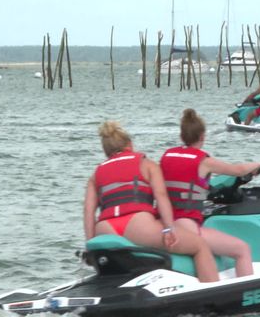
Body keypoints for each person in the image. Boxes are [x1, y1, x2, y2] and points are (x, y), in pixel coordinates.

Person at [84, 121, 219, 283]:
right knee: (199, 246)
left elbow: (88, 212)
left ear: (106, 151)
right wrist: (169, 229)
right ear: (130, 144)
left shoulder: (96, 174)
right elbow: (162, 197)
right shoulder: (147, 165)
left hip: (105, 229)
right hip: (138, 225)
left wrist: (91, 245)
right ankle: (212, 295)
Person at [161, 109, 260, 277]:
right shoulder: (204, 161)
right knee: (242, 250)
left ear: (182, 136)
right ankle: (245, 296)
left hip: (165, 222)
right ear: (202, 136)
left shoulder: (167, 155)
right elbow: (238, 170)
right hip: (187, 225)